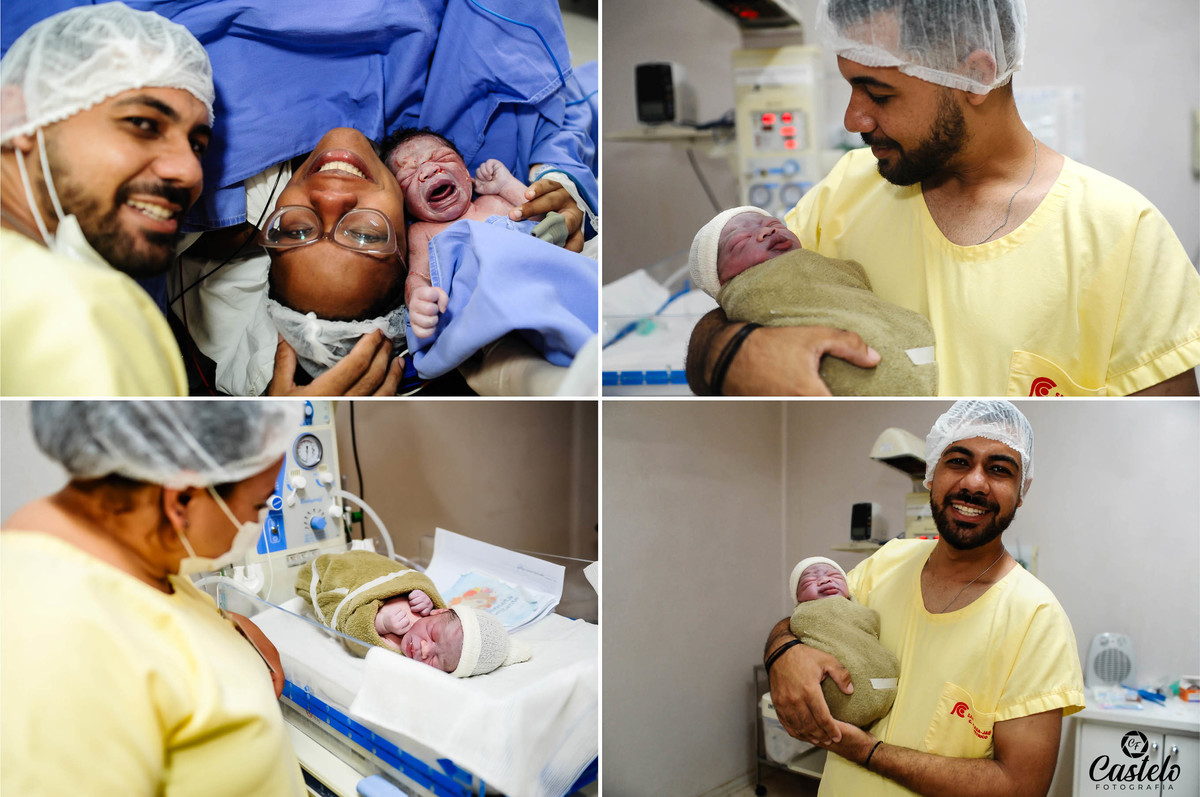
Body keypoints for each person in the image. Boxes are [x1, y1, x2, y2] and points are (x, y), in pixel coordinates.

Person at [687, 0, 1200, 397]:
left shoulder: (1120, 232)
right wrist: (732, 353)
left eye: (879, 93)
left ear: (975, 75)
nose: (853, 119)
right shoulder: (844, 192)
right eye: (849, 88)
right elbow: (730, 301)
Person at [765, 400, 1084, 797]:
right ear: (932, 474)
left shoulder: (1036, 618)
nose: (975, 483)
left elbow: (1021, 787)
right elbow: (809, 619)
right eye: (958, 461)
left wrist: (867, 751)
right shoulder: (886, 562)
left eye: (1000, 469)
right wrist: (782, 651)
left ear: (1021, 492)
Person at [0, 400, 305, 795]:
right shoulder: (59, 640)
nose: (258, 521)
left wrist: (228, 630)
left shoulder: (127, 545)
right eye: (260, 503)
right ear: (180, 501)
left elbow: (152, 622)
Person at [0, 3, 213, 396]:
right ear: (19, 116)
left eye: (197, 145)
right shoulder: (75, 311)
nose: (190, 171)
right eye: (143, 124)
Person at [690, 206, 937, 395]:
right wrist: (731, 347)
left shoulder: (820, 262)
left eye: (774, 224)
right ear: (721, 280)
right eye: (740, 241)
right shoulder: (828, 200)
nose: (768, 231)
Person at [383, 128, 565, 338]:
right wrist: (418, 297)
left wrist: (506, 184)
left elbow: (541, 218)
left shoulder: (494, 202)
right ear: (402, 203)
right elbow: (418, 275)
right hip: (484, 318)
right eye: (409, 174)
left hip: (540, 287)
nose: (429, 170)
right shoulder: (422, 231)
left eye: (442, 158)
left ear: (466, 171)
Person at [296, 549, 531, 677]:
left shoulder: (395, 649)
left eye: (438, 660)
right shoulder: (427, 609)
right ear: (439, 612)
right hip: (368, 572)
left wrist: (381, 623)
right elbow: (411, 582)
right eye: (434, 635)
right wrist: (421, 594)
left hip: (358, 600)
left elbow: (356, 636)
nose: (425, 650)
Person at [785, 556, 900, 727]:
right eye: (810, 580)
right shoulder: (804, 615)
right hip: (837, 695)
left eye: (833, 575)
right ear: (798, 597)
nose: (824, 580)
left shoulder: (859, 610)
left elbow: (870, 626)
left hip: (882, 690)